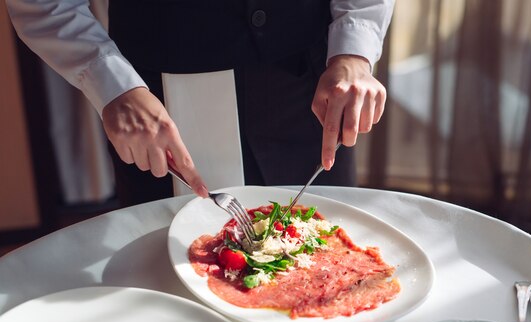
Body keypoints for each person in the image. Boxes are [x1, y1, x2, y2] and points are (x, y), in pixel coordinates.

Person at [7, 0, 394, 206]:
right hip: (162, 105)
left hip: (314, 92)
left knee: (333, 266)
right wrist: (111, 84)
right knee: (173, 285)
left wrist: (354, 51)